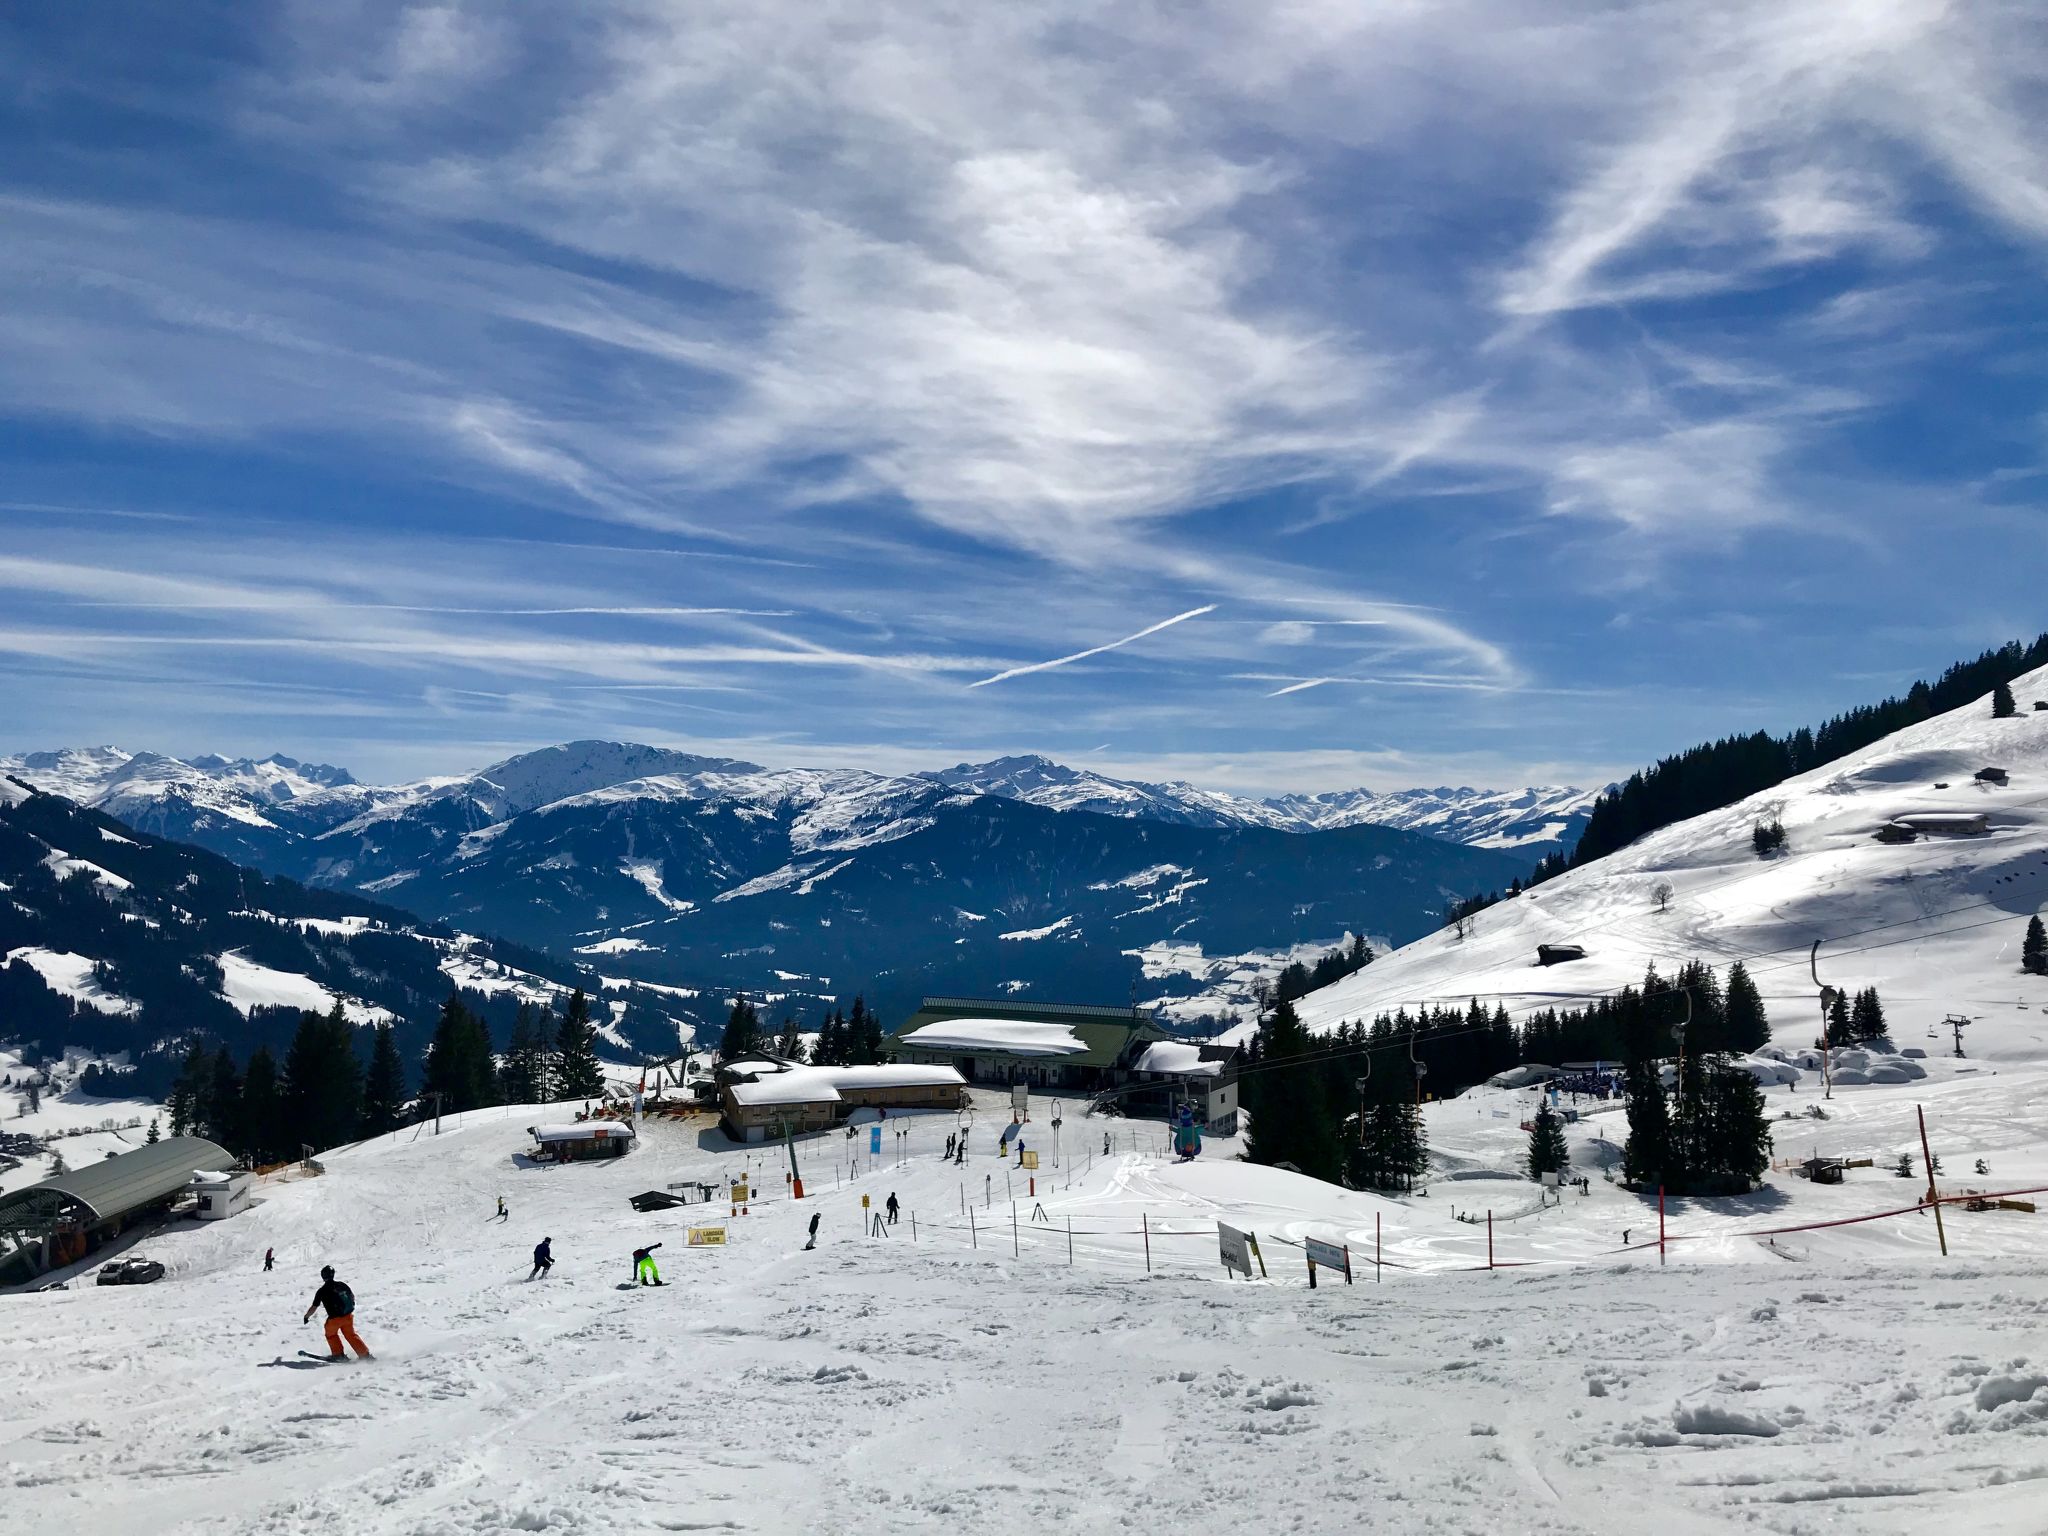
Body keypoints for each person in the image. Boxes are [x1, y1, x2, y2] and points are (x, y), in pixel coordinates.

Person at [303, 1265, 372, 1360]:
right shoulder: (341, 1285)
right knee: (351, 1335)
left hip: (334, 1320)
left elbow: (314, 1307)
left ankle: (338, 1355)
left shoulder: (322, 1291)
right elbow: (351, 1296)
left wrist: (306, 1316)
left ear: (323, 1276)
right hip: (348, 1316)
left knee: (331, 1335)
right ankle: (365, 1355)